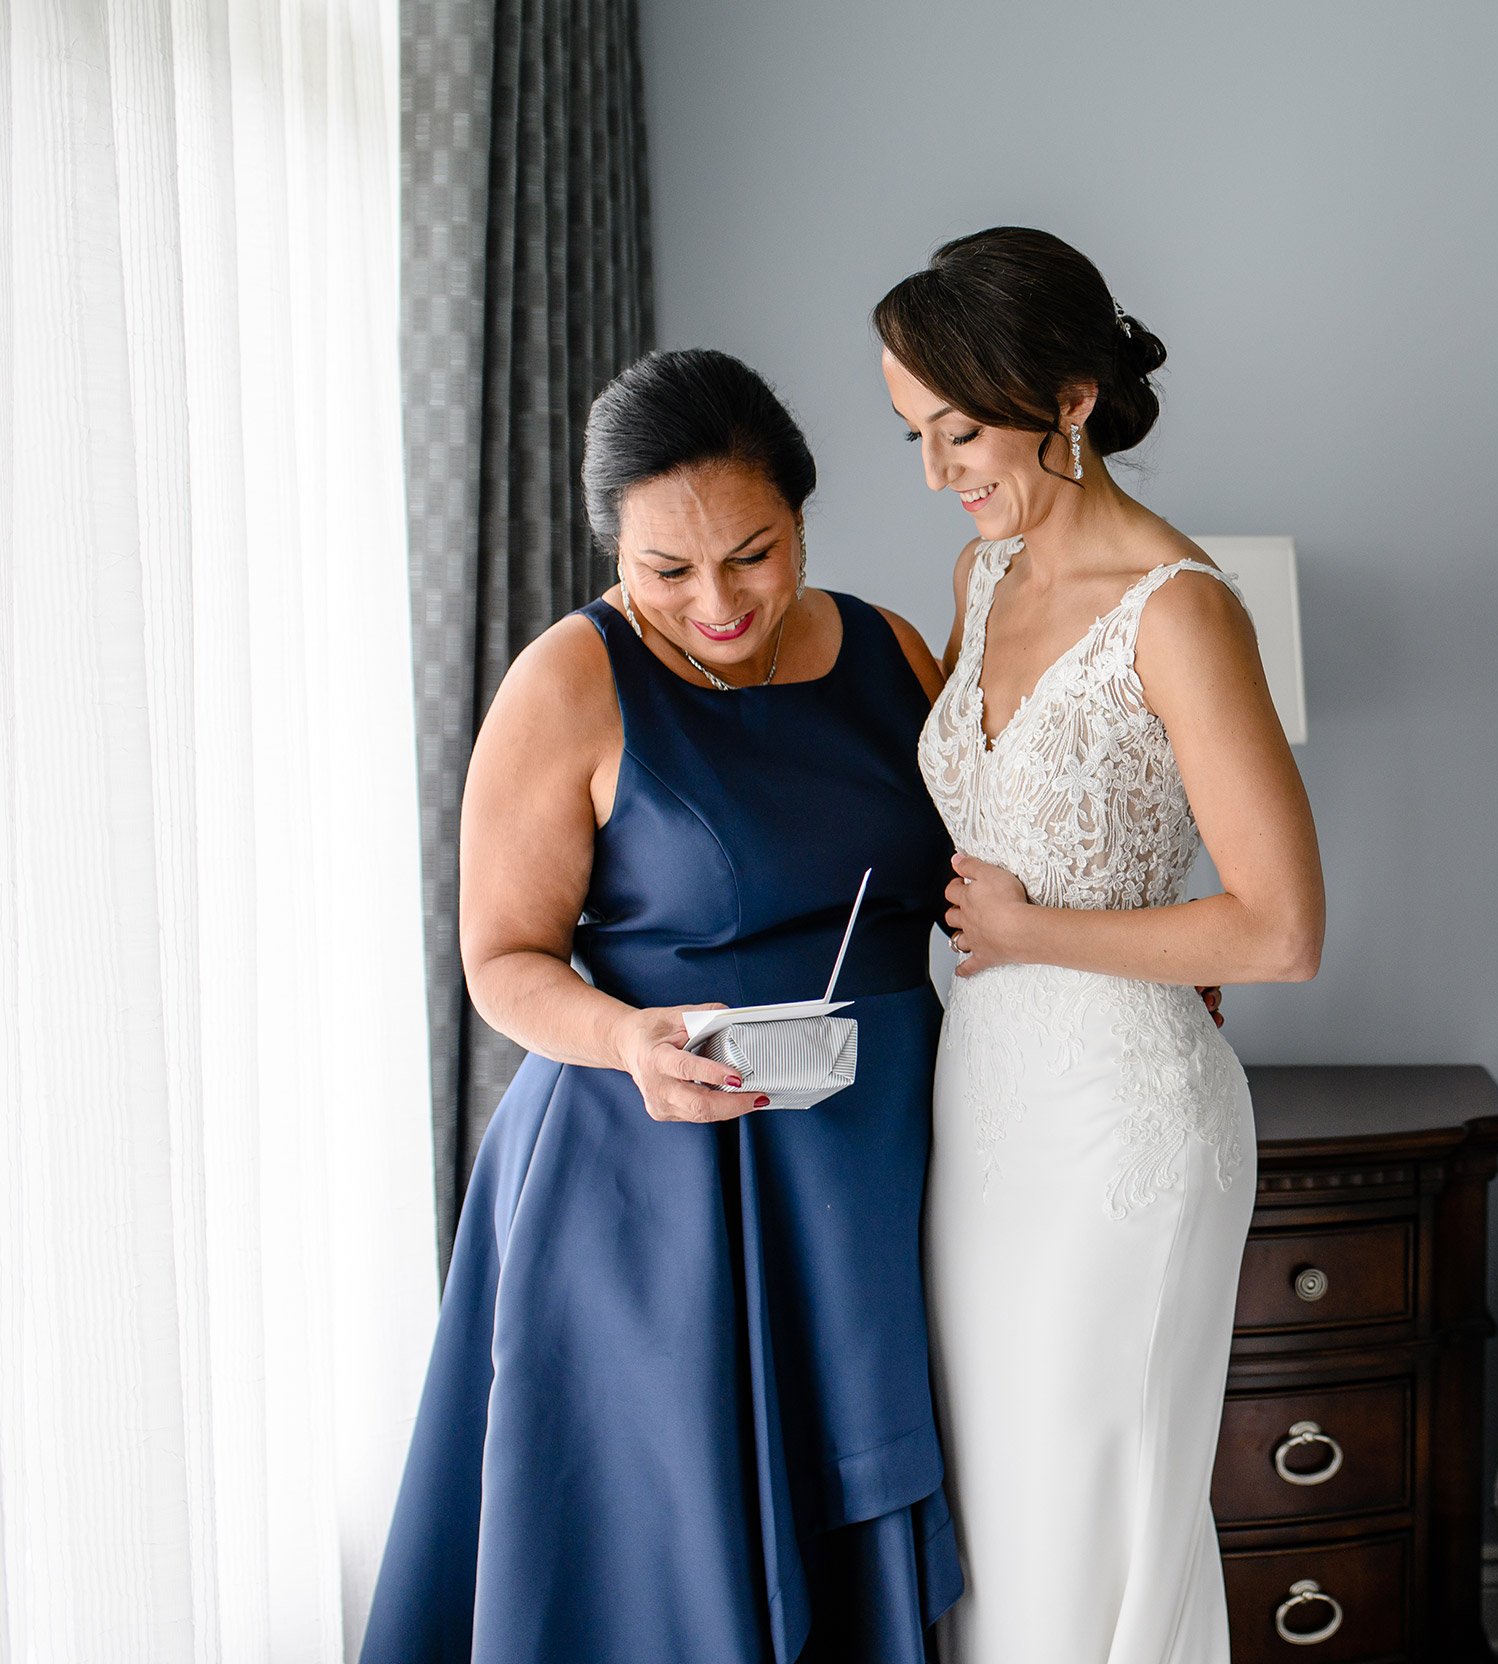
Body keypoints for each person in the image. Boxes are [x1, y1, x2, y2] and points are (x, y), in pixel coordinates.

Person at [364, 349, 962, 1664]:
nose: (718, 601)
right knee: (659, 1583)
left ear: (802, 513)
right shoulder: (569, 682)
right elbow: (502, 958)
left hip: (865, 1171)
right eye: (666, 571)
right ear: (613, 553)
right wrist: (627, 1035)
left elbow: (979, 878)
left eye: (753, 554)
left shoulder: (891, 650)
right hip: (650, 1178)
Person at [877, 229, 1327, 1664]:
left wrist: (1033, 929)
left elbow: (1282, 925)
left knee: (1095, 1521)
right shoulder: (979, 579)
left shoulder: (1182, 612)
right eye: (914, 433)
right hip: (990, 1105)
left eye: (961, 428)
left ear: (1069, 400)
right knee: (1005, 1529)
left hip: (1124, 1133)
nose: (938, 468)